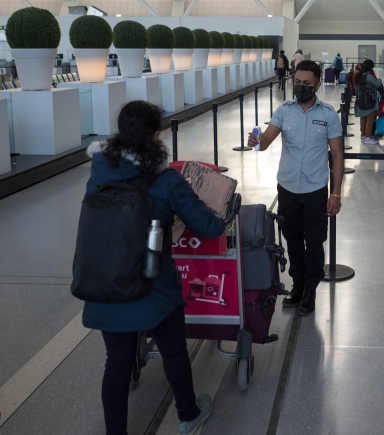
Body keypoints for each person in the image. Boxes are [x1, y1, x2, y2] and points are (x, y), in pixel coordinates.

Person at [83, 101, 224, 434]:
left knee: (116, 361)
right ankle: (188, 415)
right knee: (173, 349)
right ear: (155, 135)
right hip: (152, 287)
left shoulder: (99, 171)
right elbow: (208, 227)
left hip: (104, 280)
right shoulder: (165, 181)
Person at [247, 60, 344, 316]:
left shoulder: (328, 115)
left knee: (314, 242)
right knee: (292, 239)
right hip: (287, 188)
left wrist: (336, 193)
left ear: (317, 85)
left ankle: (311, 288)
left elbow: (337, 156)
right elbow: (266, 140)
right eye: (297, 83)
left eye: (306, 84)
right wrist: (257, 141)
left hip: (315, 190)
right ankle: (298, 285)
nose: (300, 87)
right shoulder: (284, 111)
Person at [353, 59, 383, 145]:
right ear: (369, 69)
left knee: (363, 119)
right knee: (370, 119)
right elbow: (377, 84)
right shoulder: (368, 76)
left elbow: (355, 89)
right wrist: (380, 79)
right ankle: (368, 137)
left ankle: (363, 136)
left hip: (360, 102)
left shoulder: (357, 76)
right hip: (370, 102)